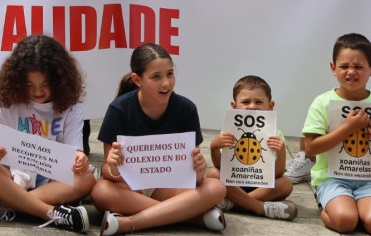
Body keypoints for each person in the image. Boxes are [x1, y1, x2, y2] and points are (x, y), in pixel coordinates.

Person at [92, 43, 226, 234]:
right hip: (130, 187)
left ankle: (130, 223)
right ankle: (192, 217)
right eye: (156, 77)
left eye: (170, 74)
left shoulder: (186, 109)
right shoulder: (118, 110)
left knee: (216, 188)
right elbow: (108, 171)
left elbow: (193, 179)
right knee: (100, 191)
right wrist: (113, 167)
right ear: (137, 80)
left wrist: (197, 171)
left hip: (168, 186)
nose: (166, 83)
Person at [0, 35, 94, 233]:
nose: (38, 91)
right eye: (29, 85)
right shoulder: (5, 100)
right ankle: (51, 213)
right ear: (17, 80)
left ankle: (7, 207)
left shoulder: (71, 105)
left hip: (50, 178)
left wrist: (80, 159)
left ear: (59, 80)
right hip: (9, 174)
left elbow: (75, 153)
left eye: (45, 84)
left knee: (85, 178)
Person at [302, 33, 371, 233]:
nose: (351, 72)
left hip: (368, 178)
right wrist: (348, 129)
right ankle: (328, 205)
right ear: (333, 68)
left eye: (359, 67)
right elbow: (311, 148)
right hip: (331, 178)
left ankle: (356, 208)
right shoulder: (322, 103)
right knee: (346, 222)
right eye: (344, 66)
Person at [207, 75, 296, 220]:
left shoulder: (276, 134)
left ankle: (237, 204)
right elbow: (220, 166)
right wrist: (214, 147)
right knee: (213, 174)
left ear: (270, 106)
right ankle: (259, 208)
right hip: (234, 183)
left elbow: (277, 174)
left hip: (261, 187)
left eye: (259, 102)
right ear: (234, 106)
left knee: (285, 184)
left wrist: (281, 152)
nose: (252, 106)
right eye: (246, 102)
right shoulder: (229, 132)